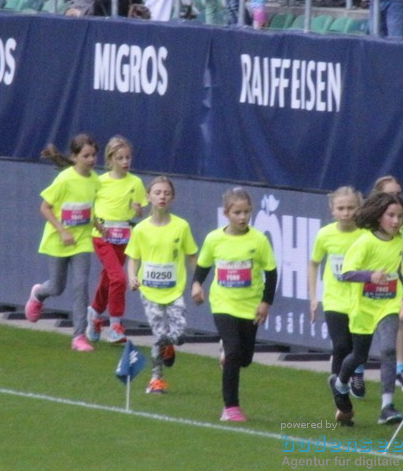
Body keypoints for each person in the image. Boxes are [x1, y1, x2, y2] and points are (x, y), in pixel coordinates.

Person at [191, 187, 278, 422]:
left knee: (245, 358)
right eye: (237, 212)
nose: (242, 217)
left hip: (250, 306)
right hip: (223, 304)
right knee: (233, 351)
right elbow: (203, 265)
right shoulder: (214, 239)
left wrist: (265, 303)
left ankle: (228, 358)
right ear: (226, 213)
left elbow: (271, 273)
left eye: (246, 212)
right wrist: (197, 284)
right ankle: (231, 408)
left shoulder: (259, 240)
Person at [329, 192, 403, 426]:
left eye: (400, 216)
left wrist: (402, 296)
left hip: (388, 305)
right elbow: (346, 273)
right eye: (391, 216)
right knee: (359, 356)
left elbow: (399, 271)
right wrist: (370, 276)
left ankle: (387, 406)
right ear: (378, 216)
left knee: (388, 350)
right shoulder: (365, 241)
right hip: (363, 307)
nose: (396, 221)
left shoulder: (398, 240)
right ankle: (341, 383)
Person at [25, 134, 101, 352]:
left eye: (93, 155)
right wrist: (62, 230)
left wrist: (99, 225)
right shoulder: (64, 179)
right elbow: (45, 207)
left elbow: (91, 209)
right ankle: (38, 294)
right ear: (74, 157)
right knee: (57, 287)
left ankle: (79, 336)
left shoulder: (96, 181)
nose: (91, 160)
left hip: (83, 240)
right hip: (60, 240)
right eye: (86, 155)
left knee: (81, 285)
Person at [125, 176, 198, 394]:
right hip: (149, 291)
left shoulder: (181, 226)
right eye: (157, 193)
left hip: (174, 291)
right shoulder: (141, 230)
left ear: (172, 197)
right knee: (159, 333)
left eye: (166, 193)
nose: (162, 197)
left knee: (180, 331)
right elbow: (133, 257)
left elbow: (192, 255)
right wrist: (132, 276)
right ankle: (156, 379)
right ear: (148, 197)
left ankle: (169, 345)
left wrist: (197, 283)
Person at [87, 135, 146, 345]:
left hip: (124, 237)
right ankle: (115, 325)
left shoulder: (136, 183)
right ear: (110, 160)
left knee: (108, 279)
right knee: (119, 278)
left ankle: (94, 315)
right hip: (102, 237)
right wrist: (96, 225)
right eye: (120, 158)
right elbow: (90, 207)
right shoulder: (99, 182)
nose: (125, 162)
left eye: (128, 157)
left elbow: (138, 212)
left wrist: (138, 211)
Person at [309, 187, 363, 396]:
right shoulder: (325, 234)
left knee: (354, 350)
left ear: (359, 209)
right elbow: (313, 263)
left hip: (359, 300)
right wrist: (314, 297)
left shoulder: (365, 234)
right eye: (341, 208)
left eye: (351, 208)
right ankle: (338, 392)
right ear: (332, 210)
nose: (346, 212)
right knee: (340, 345)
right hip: (334, 300)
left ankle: (349, 377)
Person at [370, 175, 403, 391]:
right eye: (391, 193)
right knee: (367, 323)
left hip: (397, 275)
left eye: (399, 193)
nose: (396, 197)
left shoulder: (401, 215)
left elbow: (400, 238)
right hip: (373, 276)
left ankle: (400, 367)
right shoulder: (370, 219)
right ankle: (355, 367)